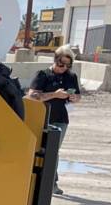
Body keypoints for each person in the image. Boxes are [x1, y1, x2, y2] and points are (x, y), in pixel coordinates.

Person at [26, 45, 81, 195]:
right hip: (42, 118)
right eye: (61, 64)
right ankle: (32, 178)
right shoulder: (43, 75)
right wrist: (54, 95)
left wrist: (75, 98)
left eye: (68, 66)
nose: (63, 68)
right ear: (55, 60)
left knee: (53, 151)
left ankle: (51, 182)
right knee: (38, 149)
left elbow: (78, 95)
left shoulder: (71, 77)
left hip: (61, 119)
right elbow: (32, 96)